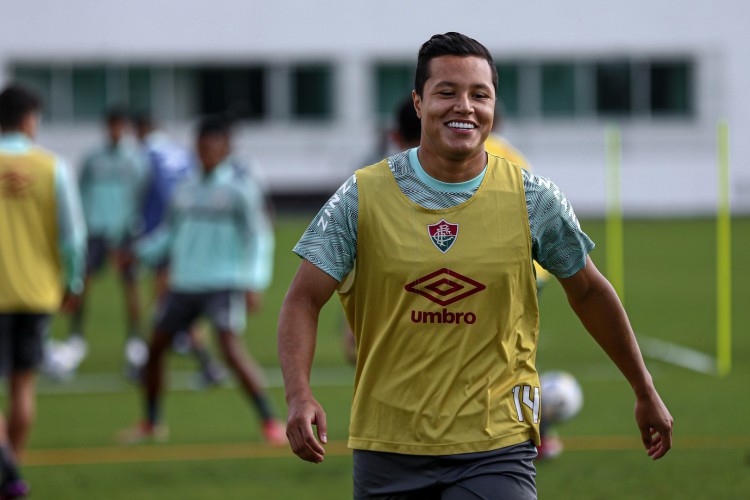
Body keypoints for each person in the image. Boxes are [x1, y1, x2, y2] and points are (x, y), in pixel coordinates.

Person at [278, 32, 673, 498]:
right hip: (388, 445)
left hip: (497, 443)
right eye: (447, 92)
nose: (464, 106)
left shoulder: (533, 198)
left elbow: (588, 290)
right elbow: (303, 298)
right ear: (419, 102)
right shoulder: (361, 195)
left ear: (493, 108)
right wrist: (299, 395)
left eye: (479, 95)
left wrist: (644, 389)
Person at [119, 115, 285, 445]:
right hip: (184, 283)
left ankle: (270, 421)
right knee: (155, 352)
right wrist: (140, 252)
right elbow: (170, 234)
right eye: (201, 146)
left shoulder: (239, 189)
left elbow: (258, 238)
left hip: (223, 282)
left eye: (212, 146)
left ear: (225, 149)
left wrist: (253, 281)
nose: (205, 152)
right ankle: (152, 423)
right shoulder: (186, 188)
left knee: (230, 351)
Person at [0, 83, 86, 498]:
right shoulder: (54, 167)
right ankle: (12, 470)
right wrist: (73, 283)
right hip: (37, 293)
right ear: (30, 118)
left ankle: (7, 472)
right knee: (23, 387)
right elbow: (72, 237)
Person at [47, 107, 148, 380]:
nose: (116, 131)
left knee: (130, 286)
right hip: (94, 230)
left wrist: (131, 226)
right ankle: (76, 339)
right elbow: (80, 191)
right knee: (83, 283)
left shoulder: (136, 159)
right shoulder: (93, 158)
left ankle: (135, 342)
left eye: (120, 126)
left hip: (124, 231)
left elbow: (140, 194)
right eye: (112, 126)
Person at [134, 113, 226, 387]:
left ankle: (204, 364)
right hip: (185, 242)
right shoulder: (177, 154)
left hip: (172, 240)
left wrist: (141, 239)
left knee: (170, 305)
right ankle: (201, 361)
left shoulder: (148, 153)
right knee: (176, 308)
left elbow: (158, 196)